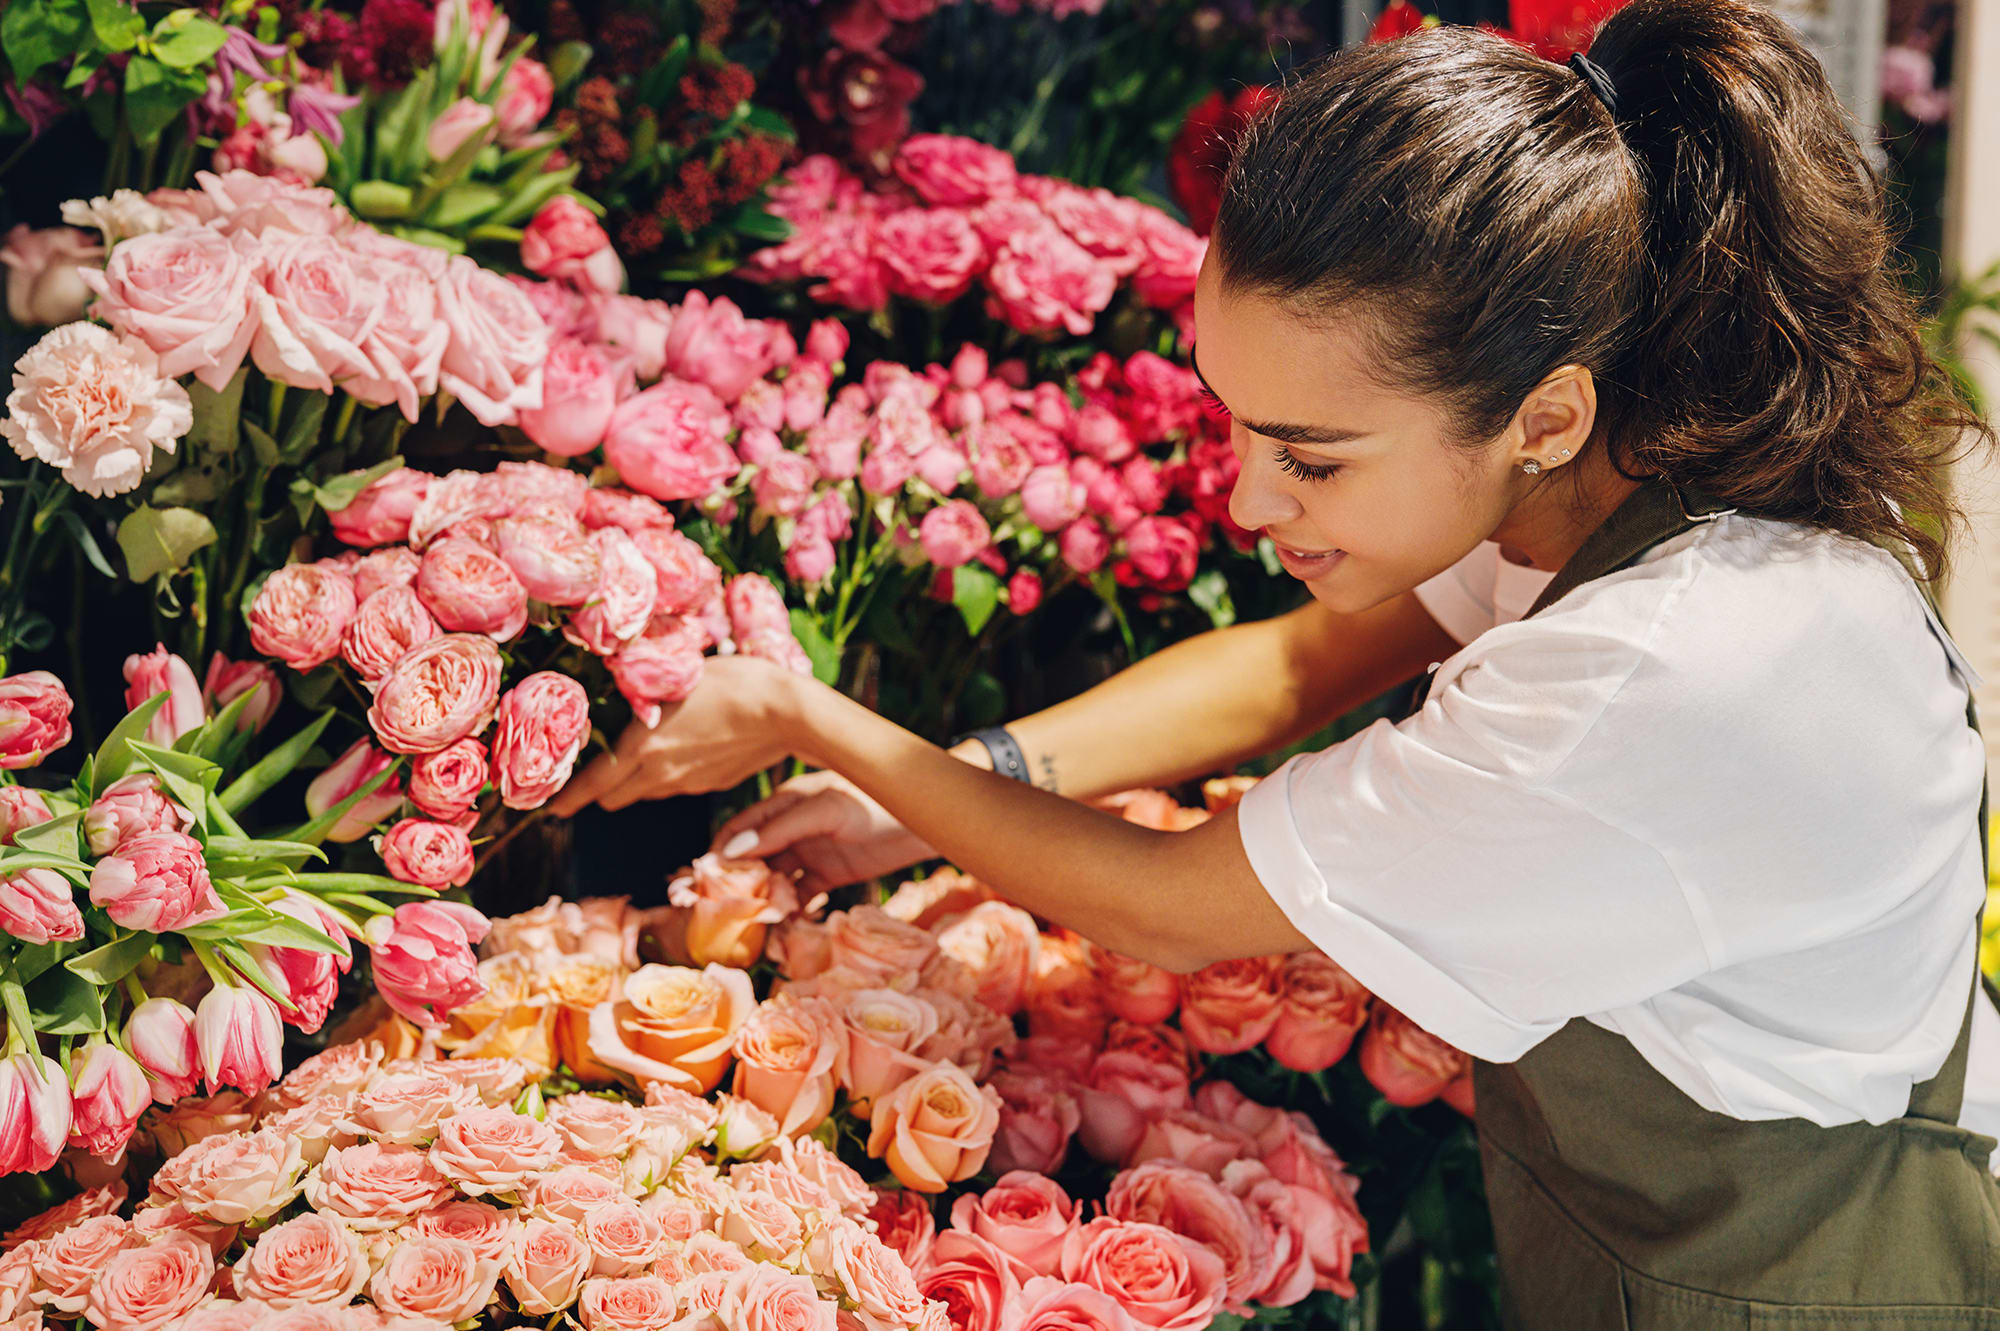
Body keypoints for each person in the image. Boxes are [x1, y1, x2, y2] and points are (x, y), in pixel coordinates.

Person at [549, 0, 2000, 1323]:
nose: (1249, 502)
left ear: (1545, 414)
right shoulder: (1629, 454)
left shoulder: (1652, 674)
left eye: (1311, 456)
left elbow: (1175, 909)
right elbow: (1292, 668)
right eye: (1238, 424)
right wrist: (968, 777)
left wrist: (819, 722)